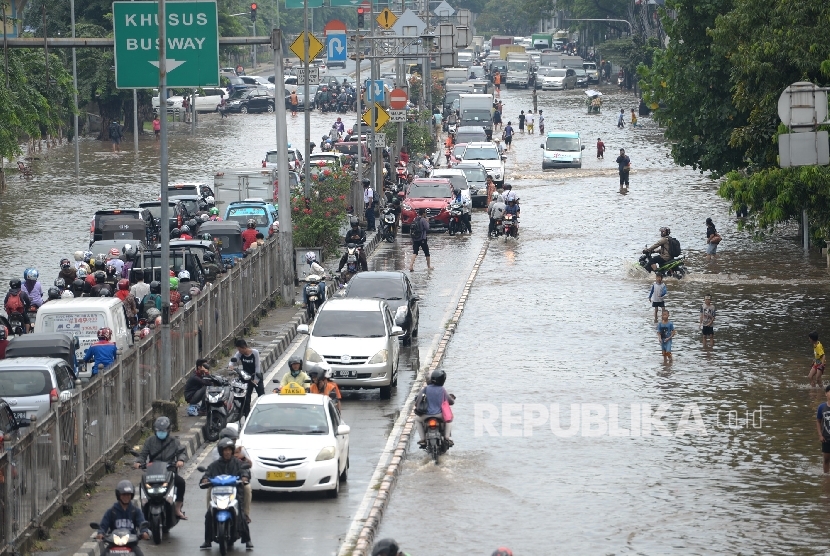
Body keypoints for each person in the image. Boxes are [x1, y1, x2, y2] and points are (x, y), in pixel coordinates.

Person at [199, 438, 253, 550]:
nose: (227, 452)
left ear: (232, 451)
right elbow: (207, 473)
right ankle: (207, 540)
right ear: (221, 451)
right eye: (225, 450)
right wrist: (205, 479)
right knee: (209, 514)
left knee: (241, 514)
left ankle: (247, 539)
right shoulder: (214, 465)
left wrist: (244, 477)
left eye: (229, 450)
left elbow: (245, 471)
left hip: (234, 493)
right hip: (218, 495)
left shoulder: (239, 463)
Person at [134, 416, 188, 519]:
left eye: (163, 431)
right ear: (155, 430)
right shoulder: (149, 441)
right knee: (142, 486)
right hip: (153, 472)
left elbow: (181, 452)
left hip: (169, 471)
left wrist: (180, 460)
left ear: (168, 430)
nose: (161, 433)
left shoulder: (174, 441)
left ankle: (177, 508)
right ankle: (144, 509)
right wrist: (138, 462)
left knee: (181, 483)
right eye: (159, 431)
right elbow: (143, 455)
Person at [96, 481, 150, 554]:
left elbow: (142, 523)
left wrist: (144, 532)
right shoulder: (111, 511)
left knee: (139, 553)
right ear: (119, 495)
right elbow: (103, 525)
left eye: (128, 495)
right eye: (123, 495)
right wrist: (101, 533)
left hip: (131, 544)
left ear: (132, 495)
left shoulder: (135, 511)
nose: (126, 497)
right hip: (113, 543)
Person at [415, 369, 455, 447]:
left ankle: (422, 439)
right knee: (449, 419)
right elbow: (450, 401)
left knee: (417, 420)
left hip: (426, 415)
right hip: (439, 415)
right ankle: (447, 438)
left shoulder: (426, 389)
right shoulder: (442, 389)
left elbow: (418, 400)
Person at [230, 339, 264, 416]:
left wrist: (256, 379)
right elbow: (233, 360)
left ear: (244, 347)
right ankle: (247, 416)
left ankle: (262, 413)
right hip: (246, 378)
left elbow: (257, 366)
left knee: (261, 395)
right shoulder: (239, 354)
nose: (239, 351)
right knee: (246, 399)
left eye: (239, 349)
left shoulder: (255, 353)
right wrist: (231, 365)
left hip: (256, 376)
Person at [816, 385, 830, 473]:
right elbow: (818, 421)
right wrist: (820, 435)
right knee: (826, 459)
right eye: (829, 392)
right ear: (826, 394)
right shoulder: (821, 407)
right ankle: (826, 478)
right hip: (826, 438)